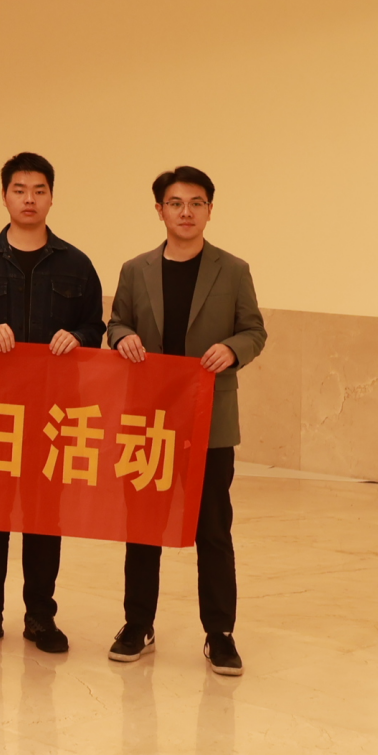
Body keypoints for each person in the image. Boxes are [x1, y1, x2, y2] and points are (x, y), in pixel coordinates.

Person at [105, 166, 266, 677]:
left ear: (210, 210)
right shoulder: (135, 269)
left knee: (213, 529)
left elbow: (254, 331)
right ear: (160, 211)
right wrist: (122, 337)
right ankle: (137, 624)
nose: (186, 212)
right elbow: (116, 322)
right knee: (143, 527)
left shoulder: (233, 270)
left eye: (197, 203)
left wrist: (232, 349)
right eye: (175, 203)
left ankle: (220, 633)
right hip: (149, 419)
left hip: (209, 421)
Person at [0, 151, 105, 654]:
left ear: (51, 197)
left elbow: (95, 327)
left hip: (54, 412)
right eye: (19, 190)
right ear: (4, 196)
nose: (29, 199)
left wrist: (78, 337)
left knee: (44, 515)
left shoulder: (77, 265)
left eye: (38, 190)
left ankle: (41, 616)